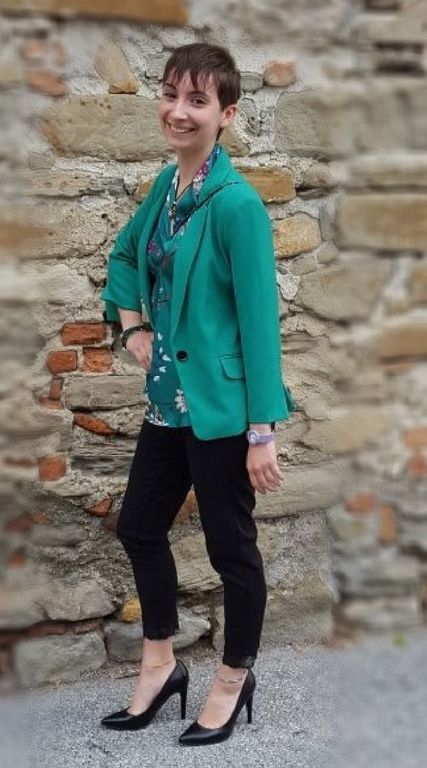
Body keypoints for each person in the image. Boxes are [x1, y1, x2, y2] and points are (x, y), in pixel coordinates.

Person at [100, 42, 296, 747]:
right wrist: (131, 326)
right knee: (139, 527)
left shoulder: (237, 205)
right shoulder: (166, 187)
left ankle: (233, 678)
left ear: (226, 115)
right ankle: (160, 665)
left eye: (197, 100)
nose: (178, 111)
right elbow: (126, 255)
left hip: (220, 411)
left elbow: (259, 324)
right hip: (165, 403)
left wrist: (261, 431)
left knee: (230, 550)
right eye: (170, 94)